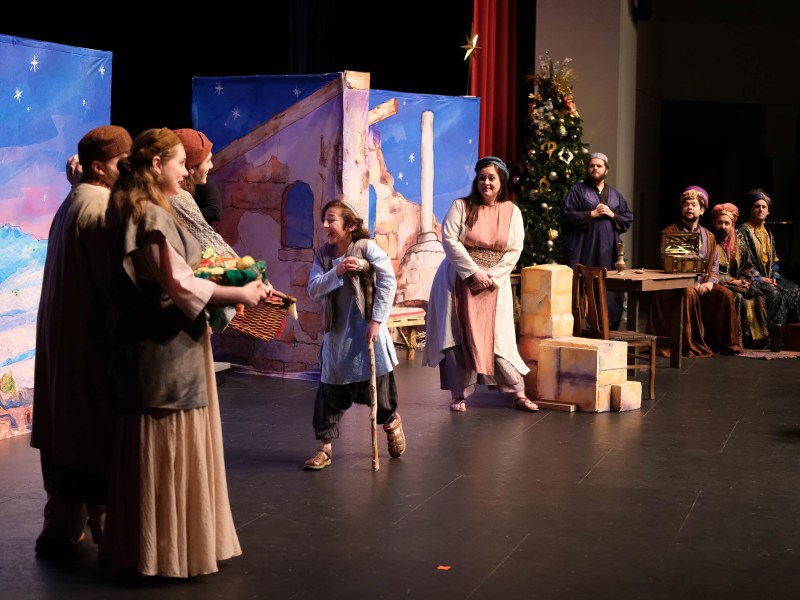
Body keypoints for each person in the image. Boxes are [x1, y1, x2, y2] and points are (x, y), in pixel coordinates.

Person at [100, 128, 269, 578]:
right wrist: (240, 296)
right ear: (157, 166)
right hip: (162, 353)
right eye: (179, 163)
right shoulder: (149, 215)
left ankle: (156, 550)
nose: (187, 172)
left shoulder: (139, 207)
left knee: (162, 449)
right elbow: (179, 284)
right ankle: (163, 555)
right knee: (164, 449)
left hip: (161, 350)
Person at [31, 125, 132, 557]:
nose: (127, 172)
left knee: (68, 439)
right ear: (98, 168)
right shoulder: (99, 208)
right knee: (92, 440)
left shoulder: (74, 199)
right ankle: (111, 539)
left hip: (65, 344)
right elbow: (114, 287)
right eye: (120, 165)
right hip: (87, 348)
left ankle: (62, 530)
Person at [424, 156, 538, 413]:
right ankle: (459, 393)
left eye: (492, 178)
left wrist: (492, 276)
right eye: (482, 177)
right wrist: (473, 272)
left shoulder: (512, 212)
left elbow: (514, 250)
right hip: (458, 279)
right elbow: (450, 240)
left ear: (501, 182)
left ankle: (517, 392)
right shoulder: (461, 206)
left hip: (493, 285)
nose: (486, 182)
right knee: (456, 336)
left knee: (498, 339)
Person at [304, 198, 406, 470]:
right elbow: (313, 289)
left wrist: (376, 320)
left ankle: (391, 421)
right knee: (328, 395)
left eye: (332, 220)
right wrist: (336, 272)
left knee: (380, 394)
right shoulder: (324, 256)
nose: (325, 225)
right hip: (338, 337)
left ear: (349, 225)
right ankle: (324, 448)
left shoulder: (367, 248)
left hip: (366, 334)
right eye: (324, 219)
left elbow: (387, 280)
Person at [647, 185, 741, 358]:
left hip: (703, 283)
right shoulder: (670, 232)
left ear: (702, 210)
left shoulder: (709, 236)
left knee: (725, 295)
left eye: (694, 205)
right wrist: (694, 283)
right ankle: (690, 344)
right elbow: (668, 264)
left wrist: (710, 283)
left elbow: (713, 265)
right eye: (686, 205)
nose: (689, 208)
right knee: (689, 293)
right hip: (675, 285)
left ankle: (724, 343)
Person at [561, 152, 633, 329]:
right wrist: (591, 214)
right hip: (585, 250)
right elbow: (565, 216)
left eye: (599, 166)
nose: (595, 168)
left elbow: (627, 218)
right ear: (587, 169)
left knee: (608, 290)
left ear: (606, 170)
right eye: (592, 165)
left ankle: (609, 326)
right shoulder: (577, 191)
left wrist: (612, 214)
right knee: (585, 289)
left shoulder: (615, 195)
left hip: (608, 255)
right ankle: (583, 327)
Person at [738, 188, 800, 349]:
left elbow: (775, 260)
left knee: (794, 289)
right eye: (757, 206)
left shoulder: (768, 233)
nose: (760, 209)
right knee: (775, 293)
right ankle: (764, 336)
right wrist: (760, 278)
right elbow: (744, 263)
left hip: (768, 278)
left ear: (768, 211)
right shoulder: (742, 232)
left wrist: (774, 277)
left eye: (764, 207)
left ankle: (785, 335)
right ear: (751, 209)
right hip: (749, 278)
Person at [710, 202, 770, 349]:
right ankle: (734, 340)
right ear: (714, 223)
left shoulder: (739, 244)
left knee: (758, 296)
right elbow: (708, 271)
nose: (723, 226)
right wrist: (731, 281)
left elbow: (747, 267)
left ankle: (756, 341)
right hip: (717, 283)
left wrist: (743, 281)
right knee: (738, 298)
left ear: (732, 225)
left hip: (737, 283)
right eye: (720, 222)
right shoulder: (709, 242)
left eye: (726, 223)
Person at [170, 128, 235, 257]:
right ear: (191, 167)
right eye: (207, 161)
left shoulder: (181, 193)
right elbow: (210, 241)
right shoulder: (177, 196)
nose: (211, 166)